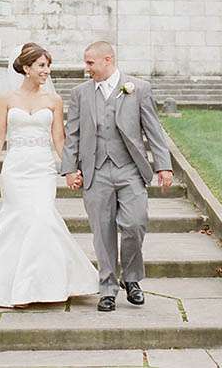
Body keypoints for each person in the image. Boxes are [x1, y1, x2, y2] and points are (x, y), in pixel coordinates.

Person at [0, 43, 98, 308]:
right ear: (26, 68)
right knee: (17, 220)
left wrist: (69, 168)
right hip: (15, 169)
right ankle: (12, 288)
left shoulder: (54, 100)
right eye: (41, 66)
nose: (47, 72)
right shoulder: (7, 99)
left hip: (43, 169)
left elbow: (59, 138)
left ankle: (40, 286)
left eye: (48, 66)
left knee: (43, 218)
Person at [60, 41, 174, 312]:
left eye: (90, 63)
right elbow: (72, 134)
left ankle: (132, 278)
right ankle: (108, 288)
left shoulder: (138, 89)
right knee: (102, 231)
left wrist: (164, 166)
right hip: (96, 170)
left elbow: (154, 130)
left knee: (135, 223)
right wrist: (69, 169)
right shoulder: (80, 93)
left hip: (129, 169)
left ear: (107, 60)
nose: (86, 68)